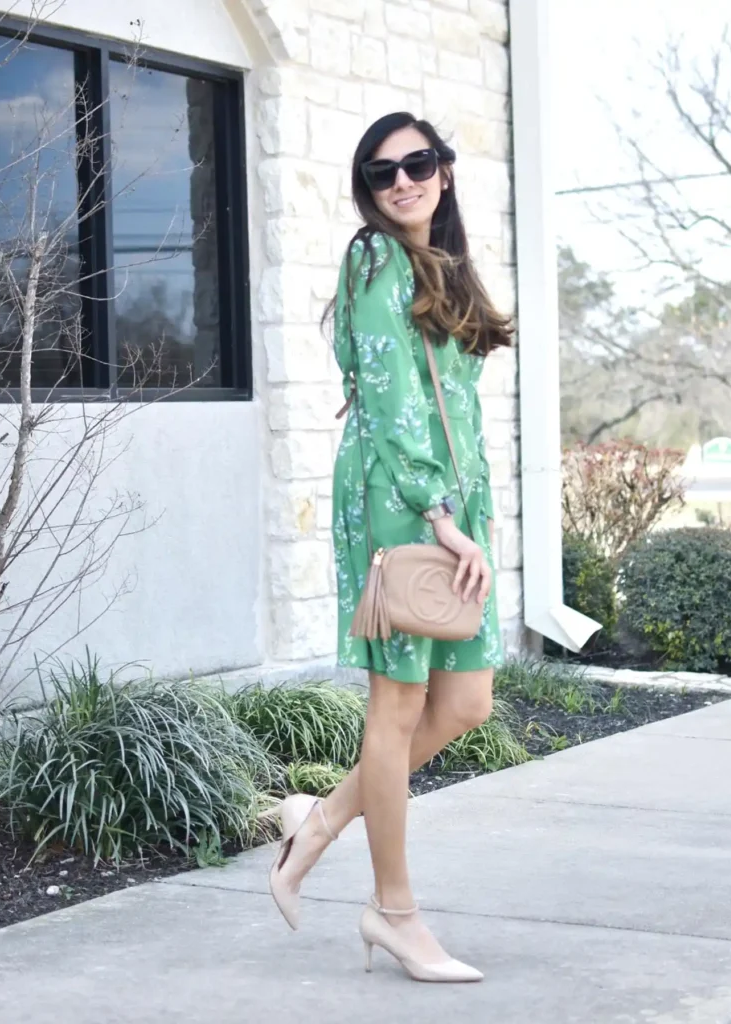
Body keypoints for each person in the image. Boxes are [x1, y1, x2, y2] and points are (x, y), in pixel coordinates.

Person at [268, 112, 514, 983]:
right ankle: (395, 912)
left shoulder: (441, 265)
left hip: (452, 504)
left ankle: (322, 825)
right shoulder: (373, 259)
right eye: (381, 173)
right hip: (402, 500)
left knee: (469, 701)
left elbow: (454, 401)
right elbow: (388, 395)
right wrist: (439, 513)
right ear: (366, 190)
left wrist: (468, 513)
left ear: (444, 173)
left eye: (417, 164)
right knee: (400, 706)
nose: (401, 181)